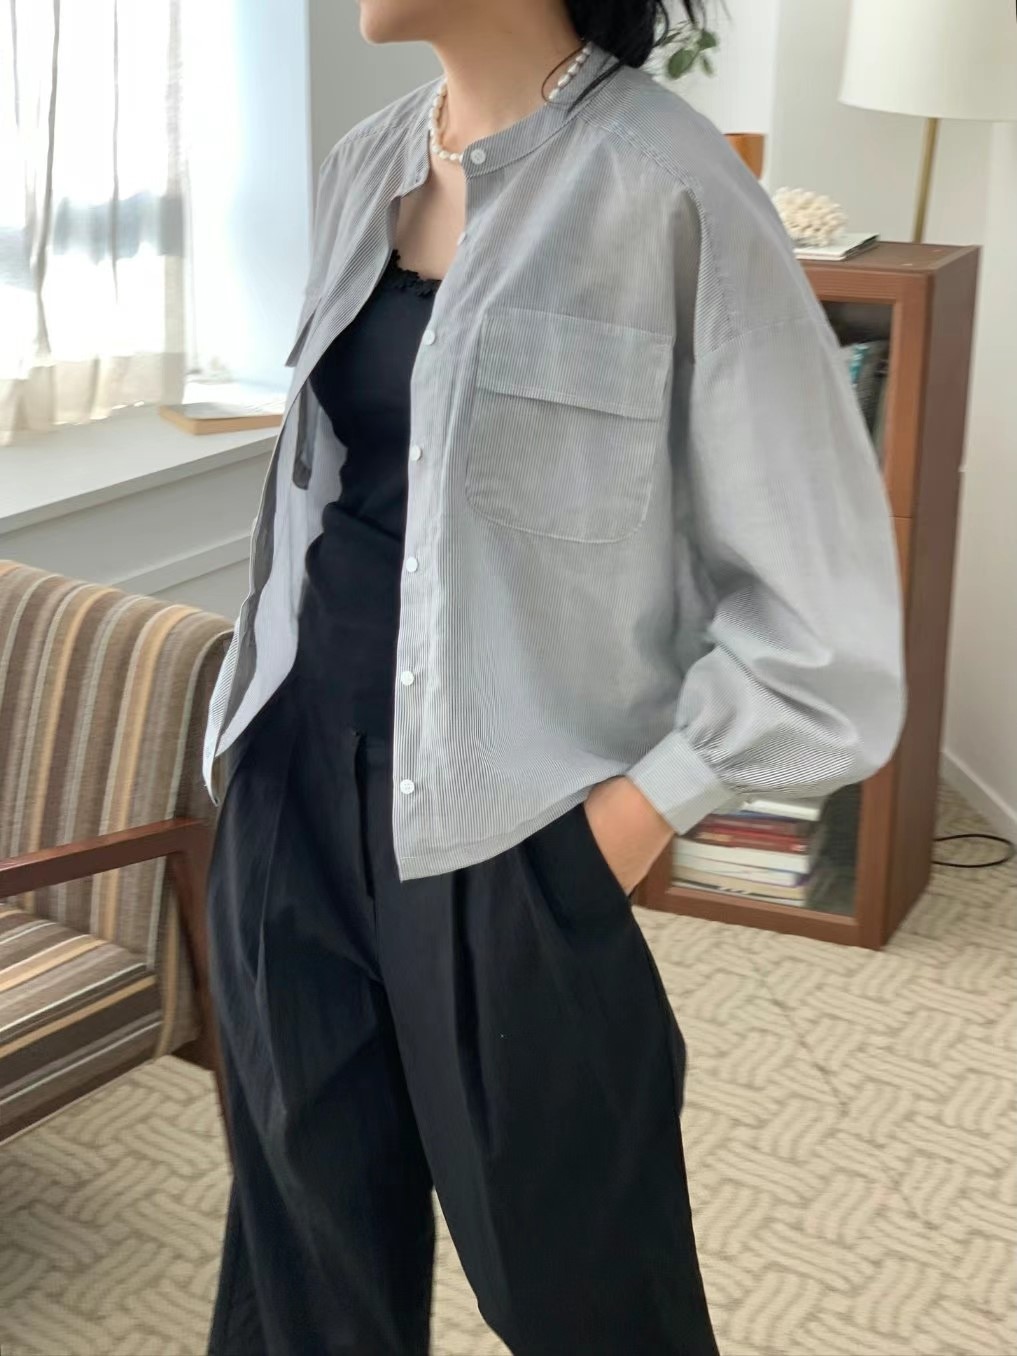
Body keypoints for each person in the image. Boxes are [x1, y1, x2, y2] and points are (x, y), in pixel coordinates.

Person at [200, 0, 906, 1352]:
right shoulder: (365, 164)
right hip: (291, 785)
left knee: (590, 1290)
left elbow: (826, 626)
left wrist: (630, 822)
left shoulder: (670, 186)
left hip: (509, 831)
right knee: (305, 1268)